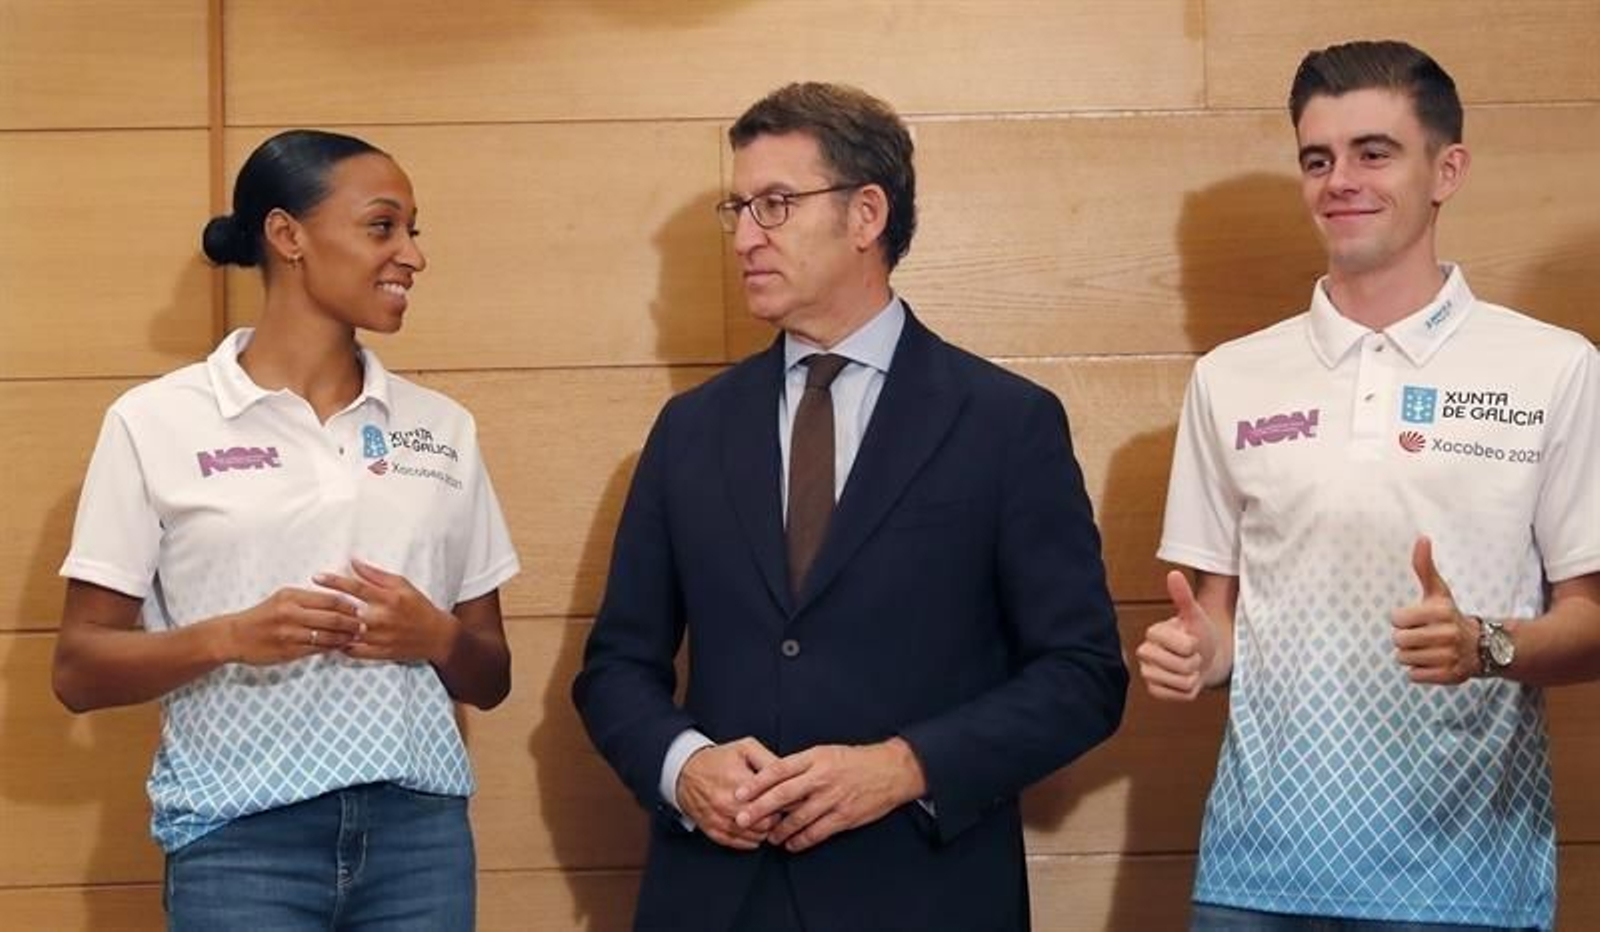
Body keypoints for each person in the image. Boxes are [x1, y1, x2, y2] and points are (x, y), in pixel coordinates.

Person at [572, 82, 1126, 932]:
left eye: (776, 205)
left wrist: (908, 766)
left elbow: (1082, 677)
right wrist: (685, 767)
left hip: (925, 891)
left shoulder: (1005, 422)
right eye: (740, 208)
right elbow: (615, 668)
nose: (747, 236)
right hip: (717, 897)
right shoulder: (691, 430)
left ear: (867, 214)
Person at [1136, 40, 1600, 931]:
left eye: (1373, 152)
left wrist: (1484, 645)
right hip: (1253, 878)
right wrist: (1202, 656)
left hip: (1468, 884)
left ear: (1446, 170)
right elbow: (1221, 623)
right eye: (1318, 159)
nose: (1340, 179)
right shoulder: (1231, 378)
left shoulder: (1554, 368)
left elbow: (1593, 622)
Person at [52, 129, 519, 931]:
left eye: (414, 230)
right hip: (239, 844)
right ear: (287, 235)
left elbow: (490, 674)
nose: (412, 255)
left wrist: (434, 635)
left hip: (422, 843)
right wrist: (229, 636)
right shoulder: (153, 422)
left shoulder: (444, 429)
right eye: (383, 227)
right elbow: (79, 669)